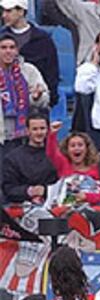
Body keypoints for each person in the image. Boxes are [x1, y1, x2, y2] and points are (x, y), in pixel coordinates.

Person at [0, 33, 49, 190]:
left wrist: (36, 97)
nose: (8, 51)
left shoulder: (28, 70)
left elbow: (44, 98)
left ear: (17, 50)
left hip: (23, 135)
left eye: (12, 47)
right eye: (3, 48)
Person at [0, 0, 59, 106]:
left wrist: (48, 99)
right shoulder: (1, 36)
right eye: (4, 11)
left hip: (35, 102)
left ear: (21, 11)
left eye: (9, 11)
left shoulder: (43, 39)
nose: (4, 15)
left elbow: (52, 72)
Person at [2, 110, 58, 204]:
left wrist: (46, 190)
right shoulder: (13, 158)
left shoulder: (58, 154)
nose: (39, 132)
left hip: (54, 203)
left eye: (42, 128)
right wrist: (30, 191)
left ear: (48, 130)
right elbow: (8, 188)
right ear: (27, 131)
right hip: (22, 206)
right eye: (35, 129)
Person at [46, 122, 100, 205]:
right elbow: (52, 153)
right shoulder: (64, 165)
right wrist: (52, 134)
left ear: (87, 149)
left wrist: (86, 197)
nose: (76, 148)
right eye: (72, 145)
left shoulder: (95, 169)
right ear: (67, 150)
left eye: (80, 145)